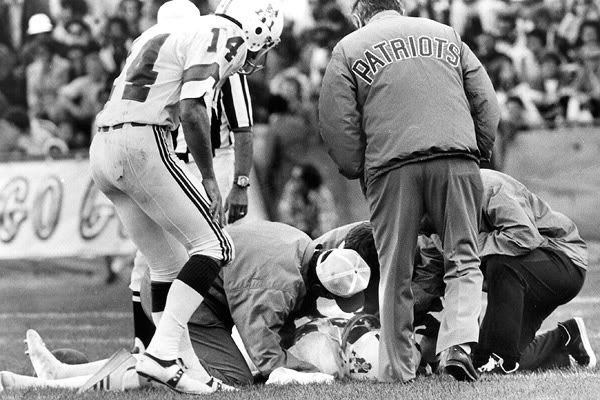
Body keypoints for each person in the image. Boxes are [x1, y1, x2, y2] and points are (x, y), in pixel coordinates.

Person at [90, 0, 283, 394]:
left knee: (168, 263)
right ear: (257, 29)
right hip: (143, 141)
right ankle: (161, 353)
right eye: (264, 47)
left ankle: (186, 367)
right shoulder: (223, 33)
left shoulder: (154, 34)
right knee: (217, 245)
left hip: (104, 146)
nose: (259, 57)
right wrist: (211, 178)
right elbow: (192, 109)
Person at [318, 0, 499, 383]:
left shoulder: (350, 47)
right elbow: (485, 100)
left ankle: (398, 368)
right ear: (398, 7)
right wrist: (477, 147)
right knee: (463, 258)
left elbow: (337, 121)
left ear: (359, 16)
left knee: (395, 270)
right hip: (456, 158)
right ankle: (458, 346)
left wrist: (358, 168)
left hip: (391, 166)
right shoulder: (445, 34)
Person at [1, 221, 371, 392]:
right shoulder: (276, 283)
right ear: (320, 281)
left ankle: (61, 373)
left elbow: (278, 326)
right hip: (185, 296)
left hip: (190, 289)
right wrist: (319, 372)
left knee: (172, 364)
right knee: (212, 378)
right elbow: (268, 364)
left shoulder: (300, 245)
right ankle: (55, 382)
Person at [126, 0, 256, 351]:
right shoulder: (182, 53)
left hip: (209, 161)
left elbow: (241, 127)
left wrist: (239, 182)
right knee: (156, 257)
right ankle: (152, 345)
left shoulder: (216, 56)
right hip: (166, 159)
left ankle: (224, 340)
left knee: (216, 249)